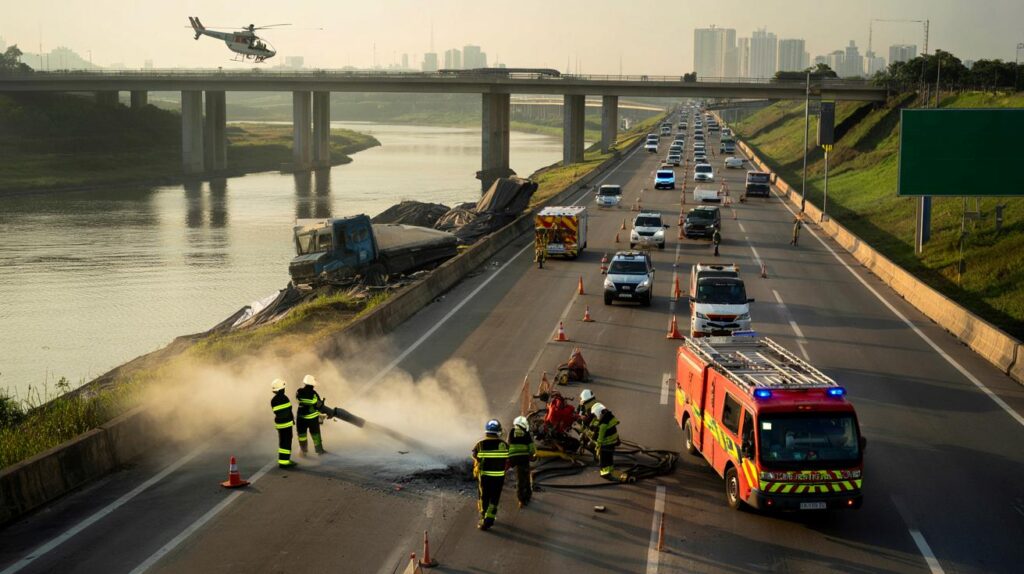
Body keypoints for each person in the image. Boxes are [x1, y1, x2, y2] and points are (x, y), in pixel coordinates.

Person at [471, 419, 509, 530]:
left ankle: (484, 518)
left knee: (484, 497)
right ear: (499, 432)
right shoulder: (504, 444)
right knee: (495, 498)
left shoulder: (480, 444)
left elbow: (475, 455)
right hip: (499, 477)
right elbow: (508, 458)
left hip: (485, 477)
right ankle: (490, 518)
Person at [507, 416, 536, 508]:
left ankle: (521, 499)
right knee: (525, 478)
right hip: (524, 458)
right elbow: (531, 446)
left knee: (519, 479)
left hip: (513, 459)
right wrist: (532, 455)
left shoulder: (511, 431)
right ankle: (525, 497)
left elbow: (507, 444)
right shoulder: (526, 433)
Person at [295, 374, 326, 455]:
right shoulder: (314, 394)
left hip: (301, 419)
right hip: (313, 419)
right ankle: (319, 451)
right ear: (313, 384)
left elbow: (300, 400)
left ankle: (303, 451)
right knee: (316, 435)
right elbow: (318, 406)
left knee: (302, 436)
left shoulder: (299, 391)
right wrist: (321, 415)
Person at [591, 403, 623, 481]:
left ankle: (604, 473)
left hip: (606, 444)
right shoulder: (610, 418)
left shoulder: (603, 425)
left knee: (604, 459)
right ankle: (610, 469)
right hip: (612, 442)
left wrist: (598, 446)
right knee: (609, 458)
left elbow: (600, 438)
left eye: (596, 415)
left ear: (599, 413)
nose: (596, 417)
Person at [271, 378, 298, 468]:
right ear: (281, 389)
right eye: (284, 387)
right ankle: (284, 462)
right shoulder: (284, 398)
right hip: (286, 424)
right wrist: (292, 420)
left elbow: (278, 412)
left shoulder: (273, 400)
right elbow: (288, 411)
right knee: (286, 443)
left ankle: (283, 460)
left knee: (282, 443)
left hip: (280, 425)